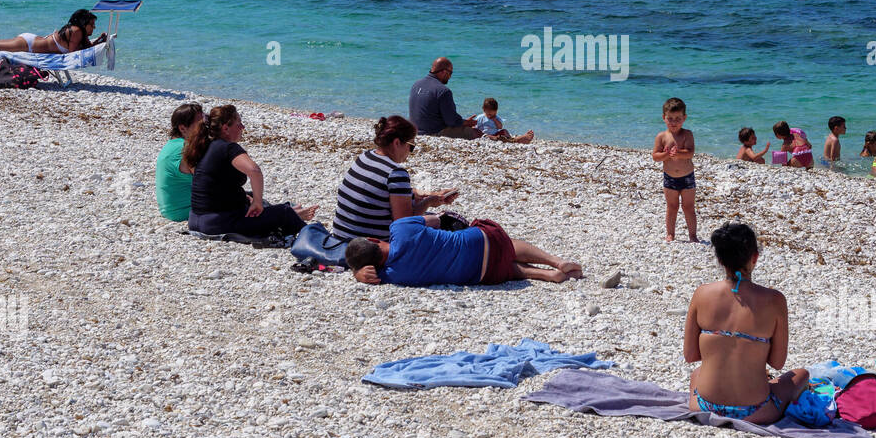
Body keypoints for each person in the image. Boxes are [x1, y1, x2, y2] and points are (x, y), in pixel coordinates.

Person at [684, 222, 809, 424]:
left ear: (720, 260)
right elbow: (777, 363)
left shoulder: (702, 294)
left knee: (697, 372)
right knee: (801, 375)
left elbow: (691, 355)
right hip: (755, 410)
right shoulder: (775, 300)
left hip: (705, 405)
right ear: (755, 257)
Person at [184, 104, 317, 238]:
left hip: (195, 220)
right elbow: (254, 171)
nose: (243, 127)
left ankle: (293, 215)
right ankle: (315, 239)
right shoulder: (228, 148)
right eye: (238, 124)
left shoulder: (205, 146)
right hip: (217, 223)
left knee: (251, 198)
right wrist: (257, 202)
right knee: (283, 212)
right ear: (226, 128)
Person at [345, 215, 582, 286]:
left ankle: (545, 275)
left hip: (479, 275)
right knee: (506, 245)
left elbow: (369, 276)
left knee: (503, 268)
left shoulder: (392, 275)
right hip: (480, 241)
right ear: (374, 240)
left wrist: (357, 273)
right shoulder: (400, 228)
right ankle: (555, 261)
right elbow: (436, 221)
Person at [333, 115, 459, 241]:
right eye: (411, 146)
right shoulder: (395, 173)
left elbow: (384, 193)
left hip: (341, 237)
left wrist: (430, 194)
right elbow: (404, 224)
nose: (410, 152)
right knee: (439, 222)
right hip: (372, 247)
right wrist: (429, 202)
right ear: (397, 143)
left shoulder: (365, 157)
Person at [0, 8, 106, 55]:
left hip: (30, 42)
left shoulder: (77, 32)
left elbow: (81, 48)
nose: (94, 28)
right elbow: (72, 54)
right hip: (28, 45)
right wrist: (95, 45)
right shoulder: (75, 31)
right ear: (84, 24)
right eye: (92, 25)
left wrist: (98, 42)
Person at [652, 97, 697, 242]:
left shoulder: (687, 134)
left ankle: (692, 235)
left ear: (684, 118)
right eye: (670, 118)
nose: (674, 122)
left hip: (687, 177)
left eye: (678, 119)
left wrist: (678, 153)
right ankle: (670, 234)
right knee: (672, 207)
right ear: (664, 118)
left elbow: (690, 152)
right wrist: (666, 154)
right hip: (669, 177)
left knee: (688, 207)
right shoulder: (661, 136)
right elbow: (655, 156)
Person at [408, 57, 481, 139]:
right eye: (451, 73)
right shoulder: (443, 91)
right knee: (476, 132)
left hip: (415, 131)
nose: (450, 76)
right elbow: (451, 121)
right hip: (433, 132)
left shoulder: (416, 84)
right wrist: (466, 123)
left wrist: (462, 122)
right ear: (444, 72)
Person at [155, 103, 204, 221]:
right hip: (184, 211)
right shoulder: (185, 148)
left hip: (170, 209)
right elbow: (206, 182)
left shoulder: (172, 145)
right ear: (183, 128)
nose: (205, 127)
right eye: (200, 124)